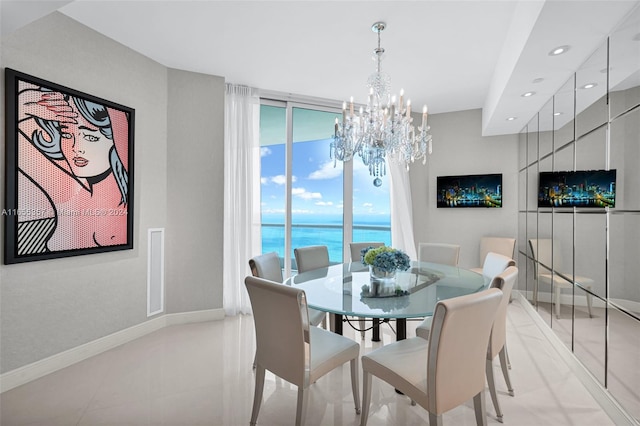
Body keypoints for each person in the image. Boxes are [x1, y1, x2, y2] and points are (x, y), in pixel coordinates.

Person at [16, 81, 130, 253]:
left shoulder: (122, 210)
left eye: (91, 137)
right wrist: (25, 102)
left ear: (116, 143)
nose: (76, 147)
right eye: (67, 134)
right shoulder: (67, 195)